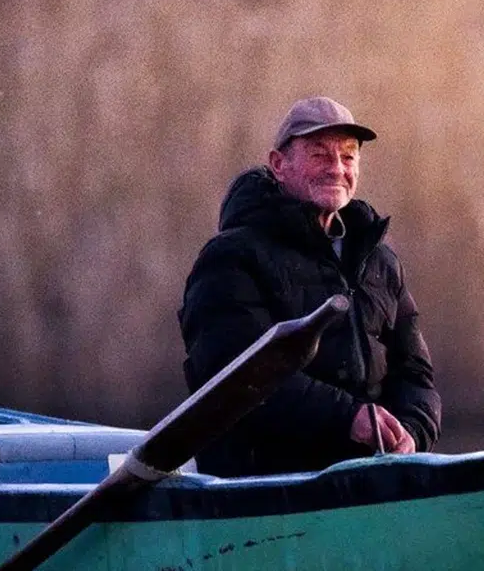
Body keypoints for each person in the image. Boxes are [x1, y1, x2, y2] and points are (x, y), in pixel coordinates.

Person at [178, 96, 441, 477]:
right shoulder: (230, 258)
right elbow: (237, 378)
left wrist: (411, 434)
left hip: (371, 486)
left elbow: (417, 376)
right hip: (264, 493)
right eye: (319, 155)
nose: (337, 168)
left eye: (348, 157)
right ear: (279, 165)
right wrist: (349, 418)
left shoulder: (380, 262)